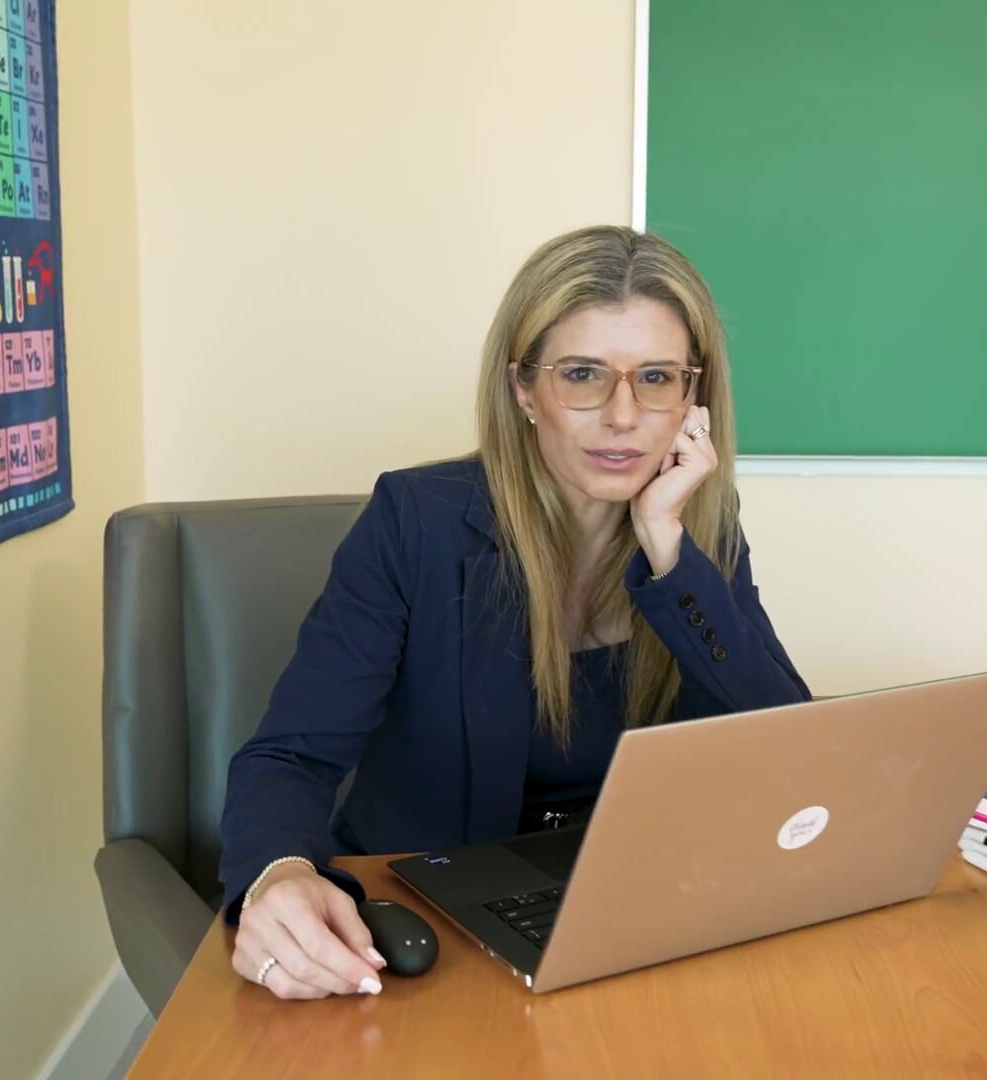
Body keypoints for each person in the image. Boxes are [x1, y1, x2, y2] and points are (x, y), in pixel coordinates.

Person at [218, 225, 811, 1000]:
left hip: (635, 907)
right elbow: (289, 756)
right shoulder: (417, 522)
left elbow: (788, 751)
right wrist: (278, 873)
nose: (624, 416)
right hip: (439, 912)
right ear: (524, 390)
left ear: (692, 399)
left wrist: (669, 550)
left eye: (657, 377)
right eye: (583, 375)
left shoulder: (698, 522)